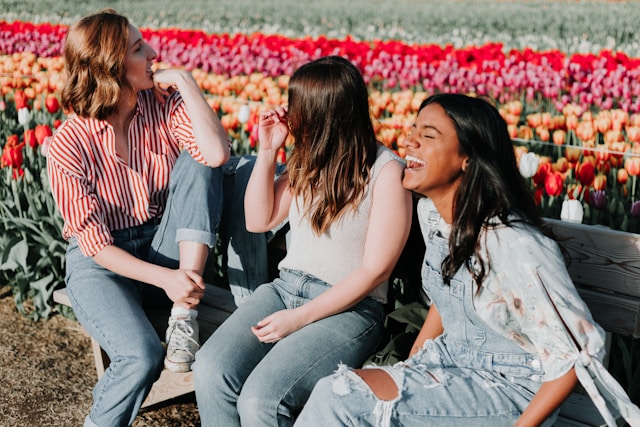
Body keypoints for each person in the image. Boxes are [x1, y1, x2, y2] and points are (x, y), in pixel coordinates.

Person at [295, 93, 640, 427]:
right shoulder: (433, 215)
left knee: (341, 400)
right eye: (413, 130)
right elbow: (449, 299)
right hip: (449, 364)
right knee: (336, 393)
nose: (410, 140)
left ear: (468, 159)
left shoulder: (512, 244)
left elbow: (571, 356)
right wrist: (414, 361)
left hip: (511, 390)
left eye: (427, 135)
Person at [192, 55, 413, 426]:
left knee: (262, 399)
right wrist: (267, 151)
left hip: (350, 308)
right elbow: (258, 219)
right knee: (211, 370)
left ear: (325, 114)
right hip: (284, 290)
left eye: (297, 105)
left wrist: (298, 319)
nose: (289, 114)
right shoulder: (309, 160)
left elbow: (377, 269)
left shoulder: (385, 171)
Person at [46, 9, 230, 427]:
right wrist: (167, 280)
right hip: (103, 265)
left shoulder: (162, 106)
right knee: (141, 356)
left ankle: (183, 317)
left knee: (198, 161)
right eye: (138, 48)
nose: (153, 53)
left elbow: (215, 156)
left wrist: (185, 80)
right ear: (110, 67)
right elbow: (95, 245)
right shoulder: (68, 145)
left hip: (161, 244)